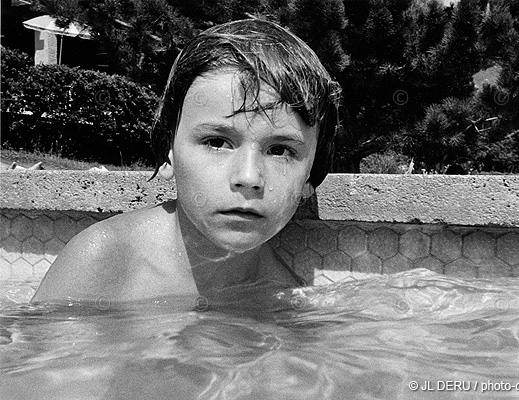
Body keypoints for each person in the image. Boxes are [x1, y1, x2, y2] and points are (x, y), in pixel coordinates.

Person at [31, 19, 341, 305]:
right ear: (169, 152)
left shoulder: (282, 300)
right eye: (217, 142)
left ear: (309, 179)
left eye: (280, 150)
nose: (249, 177)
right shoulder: (104, 260)